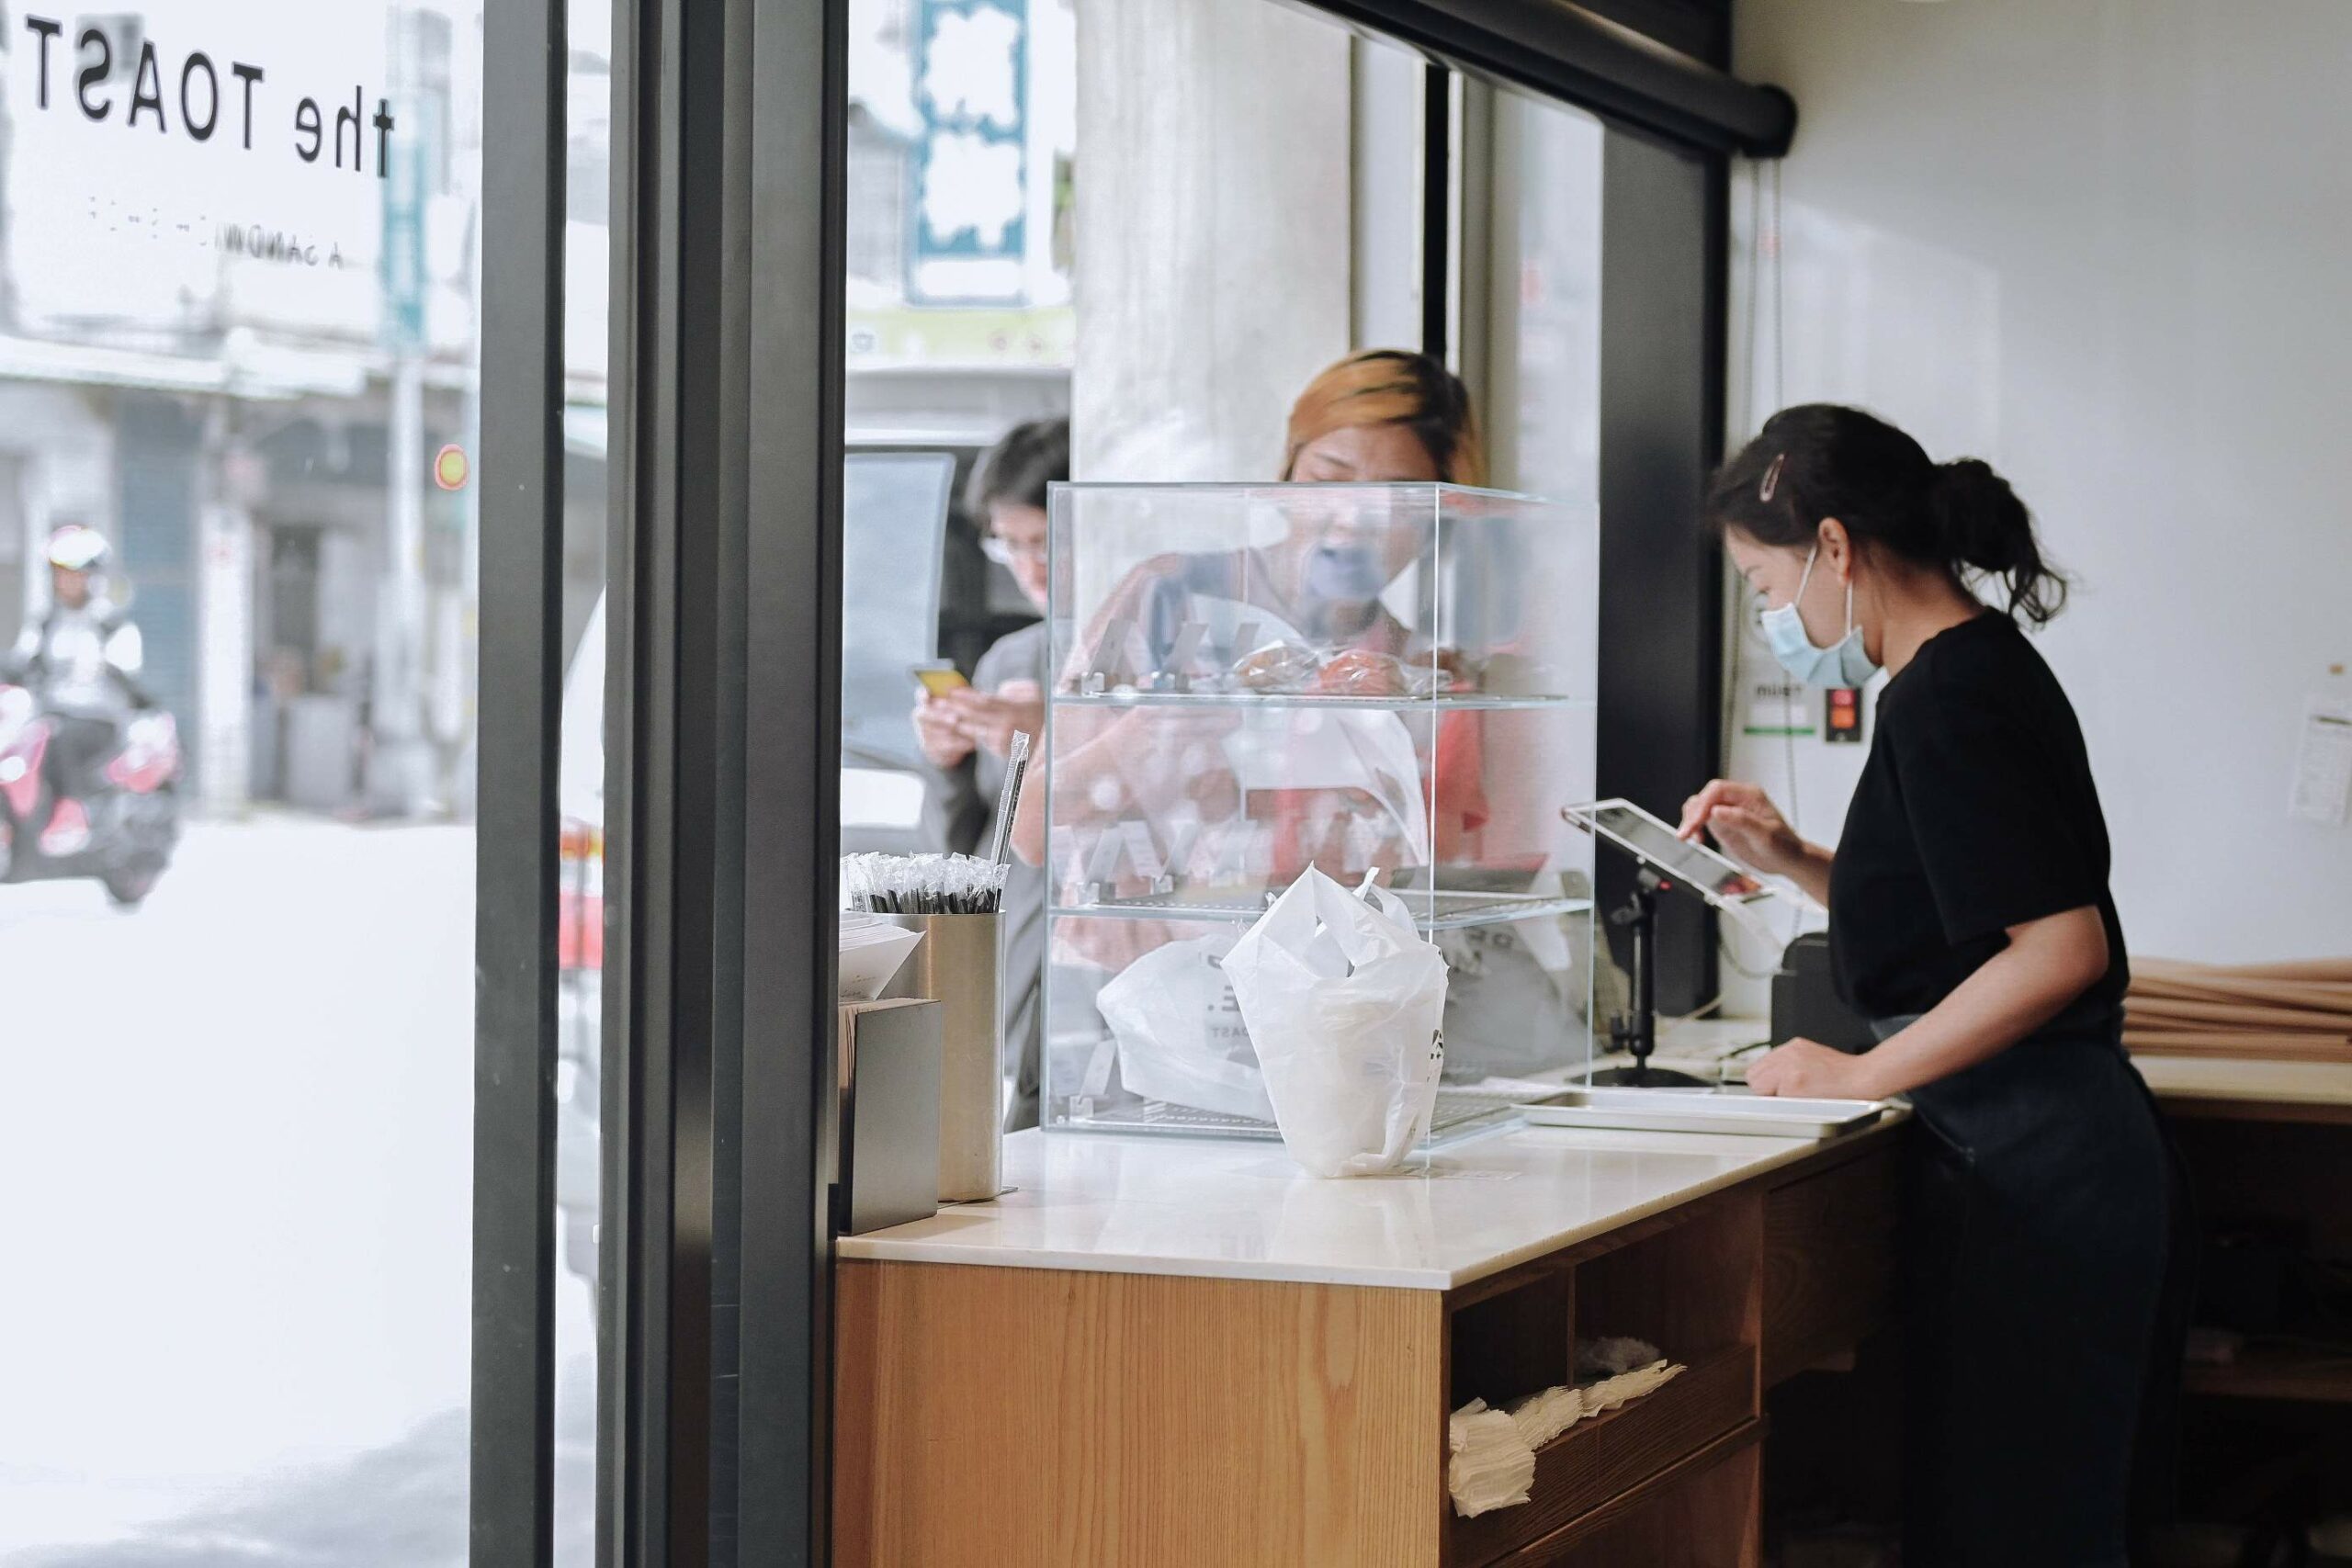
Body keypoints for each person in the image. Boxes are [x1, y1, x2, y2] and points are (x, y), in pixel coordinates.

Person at [1678, 404, 2191, 1567]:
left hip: (2035, 1155)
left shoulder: (1948, 694)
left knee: (2022, 1524)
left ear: (1837, 550)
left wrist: (1856, 1071)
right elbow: (1958, 921)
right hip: (2031, 1143)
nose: (1772, 620)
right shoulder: (1962, 674)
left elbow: (2059, 950)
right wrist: (1797, 861)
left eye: (1764, 587)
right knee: (1999, 1508)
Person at [915, 418, 1064, 1130]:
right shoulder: (1010, 661)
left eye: (1045, 542)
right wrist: (947, 764)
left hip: (1096, 989)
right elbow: (967, 854)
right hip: (1011, 981)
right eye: (1010, 544)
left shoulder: (1150, 658)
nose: (1029, 568)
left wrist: (1056, 747)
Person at [2, 525, 149, 855]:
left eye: (75, 574)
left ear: (93, 577)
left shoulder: (109, 624)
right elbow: (22, 663)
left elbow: (129, 672)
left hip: (98, 721)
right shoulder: (46, 623)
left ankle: (71, 813)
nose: (67, 581)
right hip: (49, 717)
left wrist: (109, 668)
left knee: (56, 738)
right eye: (61, 574)